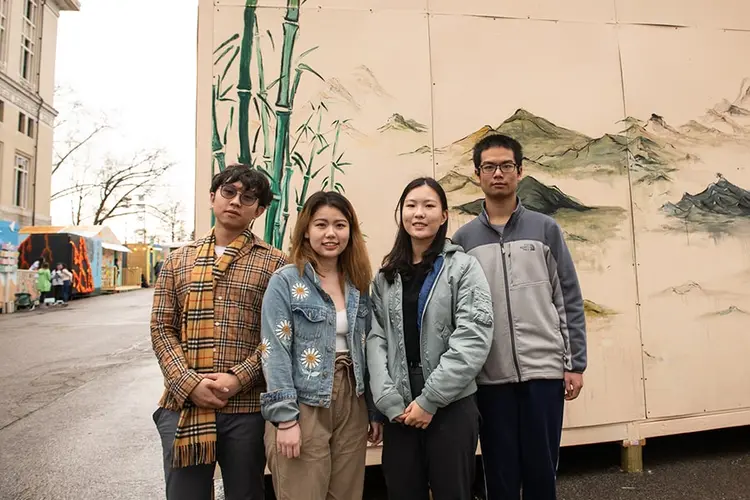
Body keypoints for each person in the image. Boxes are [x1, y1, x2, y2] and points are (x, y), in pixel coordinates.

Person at [452, 134, 587, 500]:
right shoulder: (463, 241)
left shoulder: (545, 229)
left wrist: (574, 364)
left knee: (542, 471)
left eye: (506, 166)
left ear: (520, 171)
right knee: (500, 472)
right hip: (489, 377)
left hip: (543, 372)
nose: (498, 173)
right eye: (489, 167)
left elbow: (568, 297)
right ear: (477, 174)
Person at [150, 164, 287, 500]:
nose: (236, 201)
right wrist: (189, 383)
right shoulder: (178, 261)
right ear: (213, 197)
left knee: (246, 493)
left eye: (248, 197)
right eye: (228, 192)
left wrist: (237, 378)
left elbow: (280, 335)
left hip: (245, 409)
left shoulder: (277, 264)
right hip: (183, 407)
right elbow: (161, 327)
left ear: (260, 209)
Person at [367, 177, 494, 500]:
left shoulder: (463, 268)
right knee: (402, 490)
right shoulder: (385, 277)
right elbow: (375, 338)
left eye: (429, 206)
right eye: (411, 205)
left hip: (451, 402)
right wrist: (387, 401)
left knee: (453, 491)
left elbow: (473, 337)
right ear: (401, 214)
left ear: (444, 215)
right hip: (399, 405)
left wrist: (430, 399)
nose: (419, 213)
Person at [260, 190, 383, 500]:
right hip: (305, 402)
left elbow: (369, 349)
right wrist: (285, 418)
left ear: (351, 231)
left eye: (340, 225)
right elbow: (274, 350)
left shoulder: (358, 282)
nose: (331, 234)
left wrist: (372, 411)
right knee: (303, 492)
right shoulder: (286, 281)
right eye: (321, 225)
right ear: (306, 231)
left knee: (346, 493)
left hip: (352, 400)